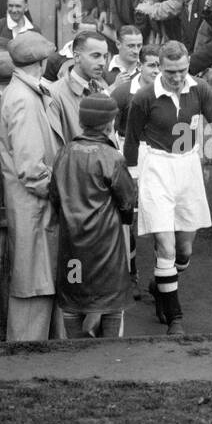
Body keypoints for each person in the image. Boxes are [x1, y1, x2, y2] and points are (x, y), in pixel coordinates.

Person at [123, 41, 212, 335]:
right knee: (164, 245)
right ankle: (176, 318)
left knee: (183, 249)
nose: (177, 77)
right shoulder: (143, 97)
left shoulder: (200, 89)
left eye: (182, 70)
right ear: (159, 68)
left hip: (188, 166)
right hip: (157, 166)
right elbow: (130, 140)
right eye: (169, 72)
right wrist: (134, 178)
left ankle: (160, 285)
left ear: (189, 63)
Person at [50, 94, 138, 338]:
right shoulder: (112, 157)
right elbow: (128, 201)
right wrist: (125, 218)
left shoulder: (64, 153)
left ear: (81, 122)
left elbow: (54, 196)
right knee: (109, 304)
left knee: (73, 301)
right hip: (106, 246)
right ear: (110, 124)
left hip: (72, 245)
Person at [0, 32, 66, 340]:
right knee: (32, 287)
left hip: (38, 207)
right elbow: (31, 169)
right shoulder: (24, 100)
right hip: (34, 206)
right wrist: (64, 195)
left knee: (40, 282)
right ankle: (23, 361)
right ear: (41, 62)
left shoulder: (30, 91)